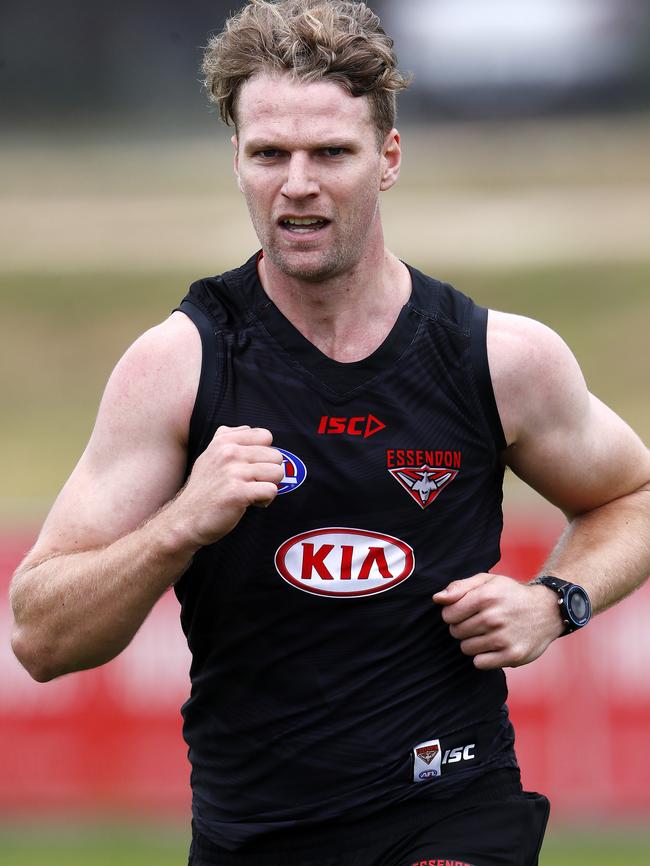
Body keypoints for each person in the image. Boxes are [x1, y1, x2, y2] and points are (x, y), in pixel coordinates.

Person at [9, 1, 650, 864]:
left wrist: (555, 602)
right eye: (269, 153)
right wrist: (180, 525)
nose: (298, 183)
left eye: (330, 154)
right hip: (254, 834)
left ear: (387, 159)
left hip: (451, 809)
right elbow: (41, 638)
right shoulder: (179, 367)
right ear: (235, 160)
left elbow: (635, 496)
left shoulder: (497, 357)